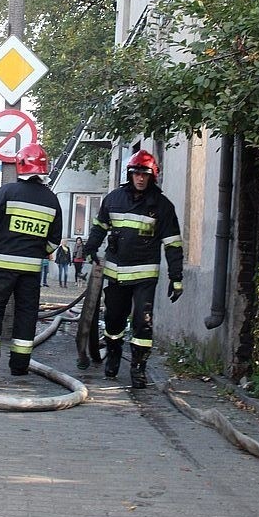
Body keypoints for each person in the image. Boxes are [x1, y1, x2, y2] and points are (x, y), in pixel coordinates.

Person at [84, 150, 183, 389]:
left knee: (142, 321)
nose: (140, 178)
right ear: (130, 175)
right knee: (113, 319)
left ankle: (139, 367)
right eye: (136, 174)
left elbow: (173, 244)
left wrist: (176, 277)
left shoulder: (162, 206)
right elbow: (99, 227)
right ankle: (114, 355)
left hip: (145, 275)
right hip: (117, 273)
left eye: (144, 175)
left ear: (152, 176)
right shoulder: (114, 199)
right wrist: (90, 248)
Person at [0, 142, 62, 376]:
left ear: (20, 166)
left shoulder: (7, 192)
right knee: (27, 314)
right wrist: (36, 251)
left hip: (2, 267)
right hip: (31, 270)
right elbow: (54, 240)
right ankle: (20, 365)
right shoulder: (52, 201)